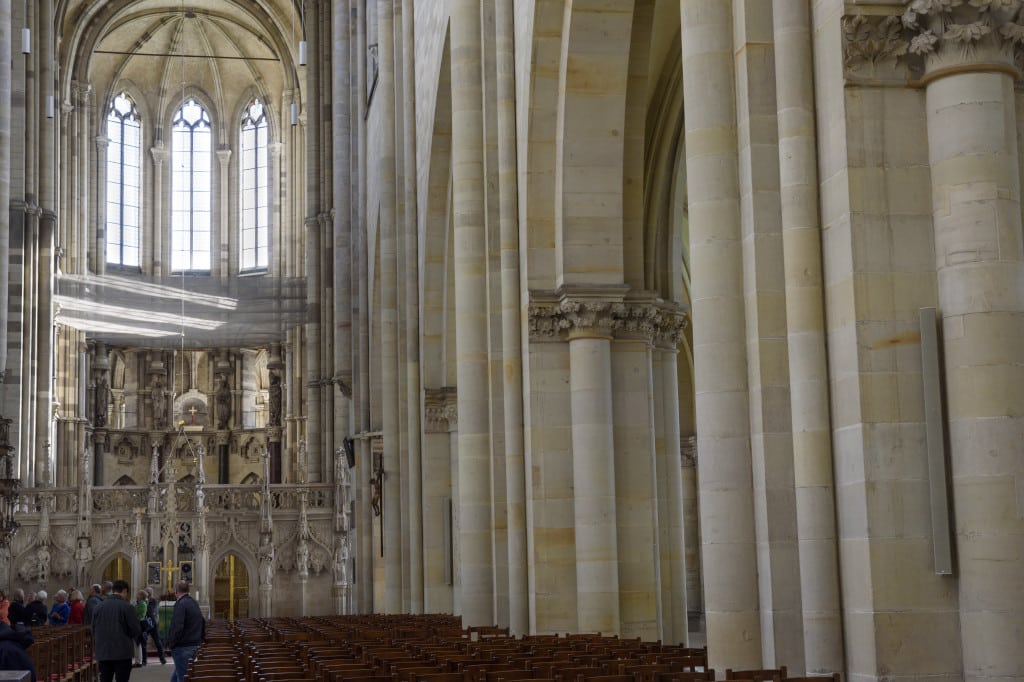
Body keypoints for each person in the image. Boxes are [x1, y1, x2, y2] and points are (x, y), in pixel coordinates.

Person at [91, 579, 141, 682]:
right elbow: (135, 629)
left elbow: (93, 629)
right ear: (125, 591)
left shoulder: (99, 606)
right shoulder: (127, 607)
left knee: (105, 679)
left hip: (103, 651)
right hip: (122, 651)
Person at [165, 580, 204, 682]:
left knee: (183, 677)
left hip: (183, 646)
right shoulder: (193, 602)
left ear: (176, 591)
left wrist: (171, 643)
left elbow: (177, 626)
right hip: (194, 644)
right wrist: (199, 639)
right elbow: (202, 621)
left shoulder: (181, 603)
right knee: (178, 673)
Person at [143, 587, 166, 665]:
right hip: (144, 624)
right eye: (146, 591)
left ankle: (162, 658)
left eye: (148, 592)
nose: (147, 593)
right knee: (144, 642)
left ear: (151, 593)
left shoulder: (153, 600)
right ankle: (144, 660)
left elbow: (151, 611)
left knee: (157, 641)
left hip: (153, 623)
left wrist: (145, 609)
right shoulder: (142, 601)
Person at [133, 591, 148, 667]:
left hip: (139, 625)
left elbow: (135, 612)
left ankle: (139, 662)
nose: (136, 595)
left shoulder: (142, 604)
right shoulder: (139, 603)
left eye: (138, 594)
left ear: (141, 596)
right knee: (136, 644)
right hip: (137, 624)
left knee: (137, 643)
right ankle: (137, 661)